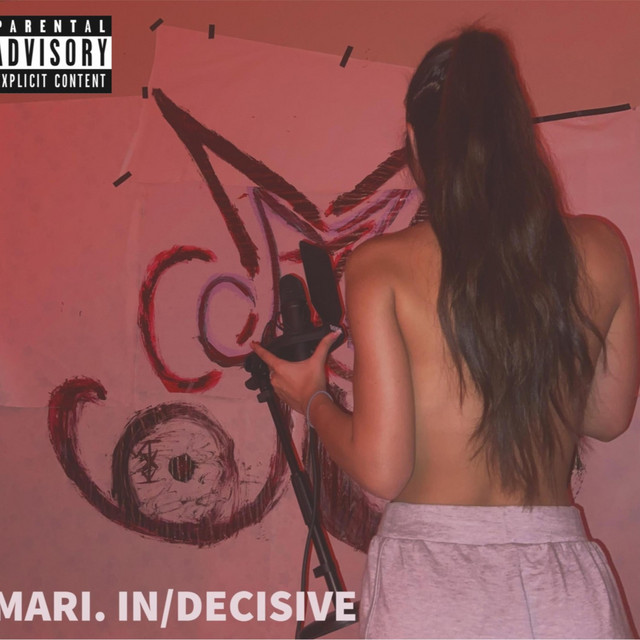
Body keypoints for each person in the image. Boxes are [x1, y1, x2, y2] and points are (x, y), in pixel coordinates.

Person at [251, 27, 638, 638]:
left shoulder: (382, 266)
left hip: (433, 589)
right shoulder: (603, 248)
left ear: (412, 140)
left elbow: (383, 467)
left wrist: (313, 398)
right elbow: (608, 418)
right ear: (517, 136)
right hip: (565, 589)